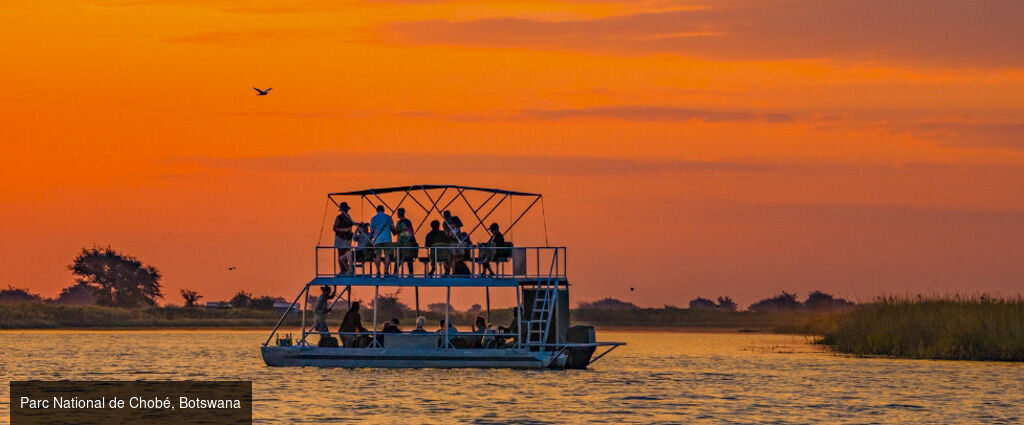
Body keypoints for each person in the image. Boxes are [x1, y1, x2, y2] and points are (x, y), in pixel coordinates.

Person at [369, 205, 394, 276]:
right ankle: (386, 271)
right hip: (387, 238)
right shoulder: (388, 217)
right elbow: (392, 228)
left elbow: (372, 232)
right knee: (387, 255)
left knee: (378, 255)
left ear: (377, 210)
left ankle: (378, 271)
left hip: (377, 239)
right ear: (383, 210)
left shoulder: (373, 219)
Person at [332, 202, 355, 275]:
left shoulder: (348, 217)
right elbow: (335, 228)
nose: (346, 211)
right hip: (340, 239)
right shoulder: (339, 218)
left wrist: (359, 224)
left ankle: (347, 270)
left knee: (347, 255)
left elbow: (352, 223)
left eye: (346, 210)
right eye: (345, 210)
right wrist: (344, 230)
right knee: (341, 255)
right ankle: (343, 270)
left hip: (347, 239)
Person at [394, 208, 417, 276]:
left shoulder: (399, 222)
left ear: (398, 214)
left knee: (399, 257)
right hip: (410, 242)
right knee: (409, 257)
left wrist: (392, 228)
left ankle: (395, 272)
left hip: (403, 242)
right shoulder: (408, 221)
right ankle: (411, 272)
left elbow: (396, 232)